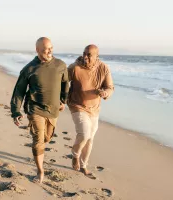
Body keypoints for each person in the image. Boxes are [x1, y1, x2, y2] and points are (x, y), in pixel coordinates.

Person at [10, 37, 69, 183]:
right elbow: (19, 91)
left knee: (46, 138)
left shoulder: (60, 65)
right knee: (38, 141)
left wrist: (63, 100)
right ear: (37, 50)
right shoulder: (29, 69)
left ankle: (41, 147)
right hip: (35, 108)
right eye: (45, 49)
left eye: (51, 48)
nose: (49, 51)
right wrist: (16, 111)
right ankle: (40, 172)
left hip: (54, 110)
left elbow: (65, 83)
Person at [67, 44, 114, 176]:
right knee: (84, 134)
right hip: (77, 105)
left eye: (89, 54)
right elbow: (62, 80)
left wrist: (106, 93)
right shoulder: (74, 67)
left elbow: (110, 87)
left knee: (90, 138)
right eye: (84, 53)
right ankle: (75, 155)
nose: (85, 56)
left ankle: (83, 165)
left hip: (94, 108)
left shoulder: (103, 68)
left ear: (97, 57)